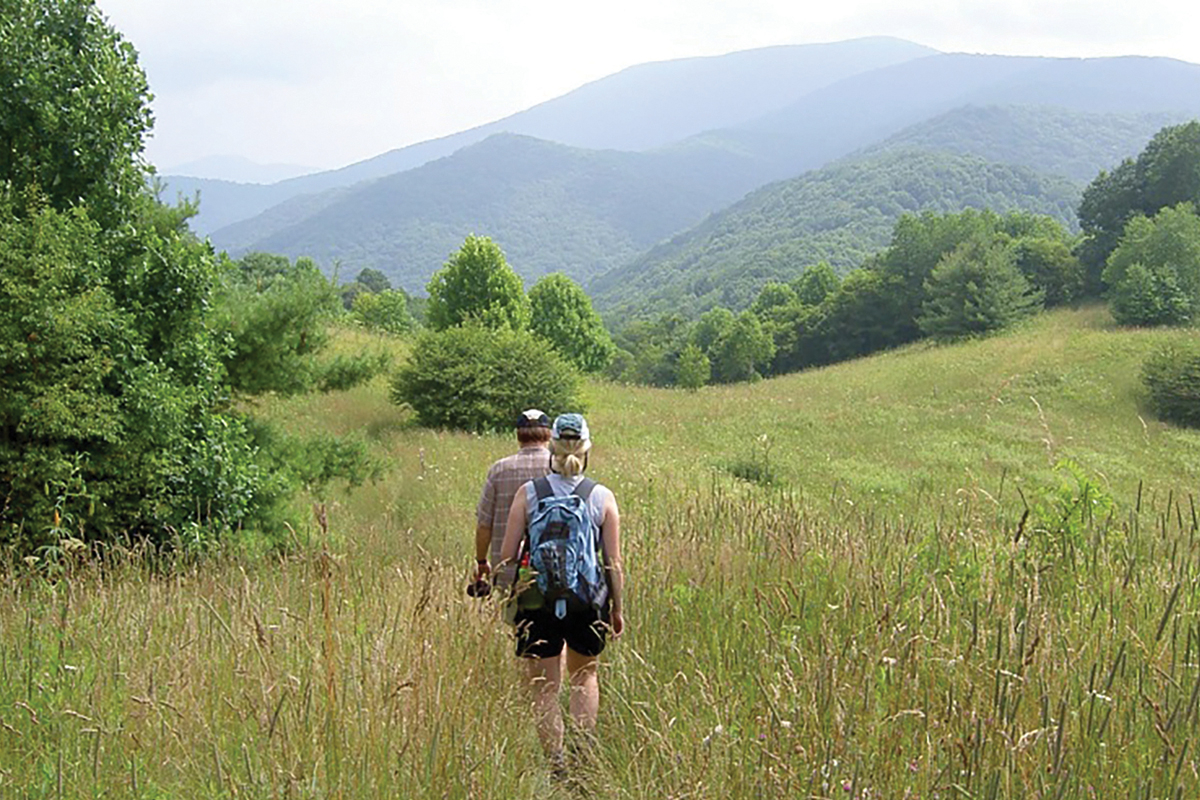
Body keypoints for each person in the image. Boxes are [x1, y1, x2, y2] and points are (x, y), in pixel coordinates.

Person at [500, 413, 625, 774]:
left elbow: (507, 556)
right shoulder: (601, 497)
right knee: (584, 677)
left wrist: (512, 594)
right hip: (588, 601)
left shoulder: (529, 494)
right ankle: (583, 755)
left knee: (543, 688)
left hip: (537, 600)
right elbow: (613, 563)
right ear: (586, 450)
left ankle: (556, 765)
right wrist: (617, 608)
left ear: (551, 447)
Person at [474, 409, 552, 589]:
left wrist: (481, 561)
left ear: (518, 435)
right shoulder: (557, 468)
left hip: (507, 573)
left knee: (510, 615)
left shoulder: (499, 470)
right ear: (548, 434)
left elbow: (484, 524)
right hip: (552, 571)